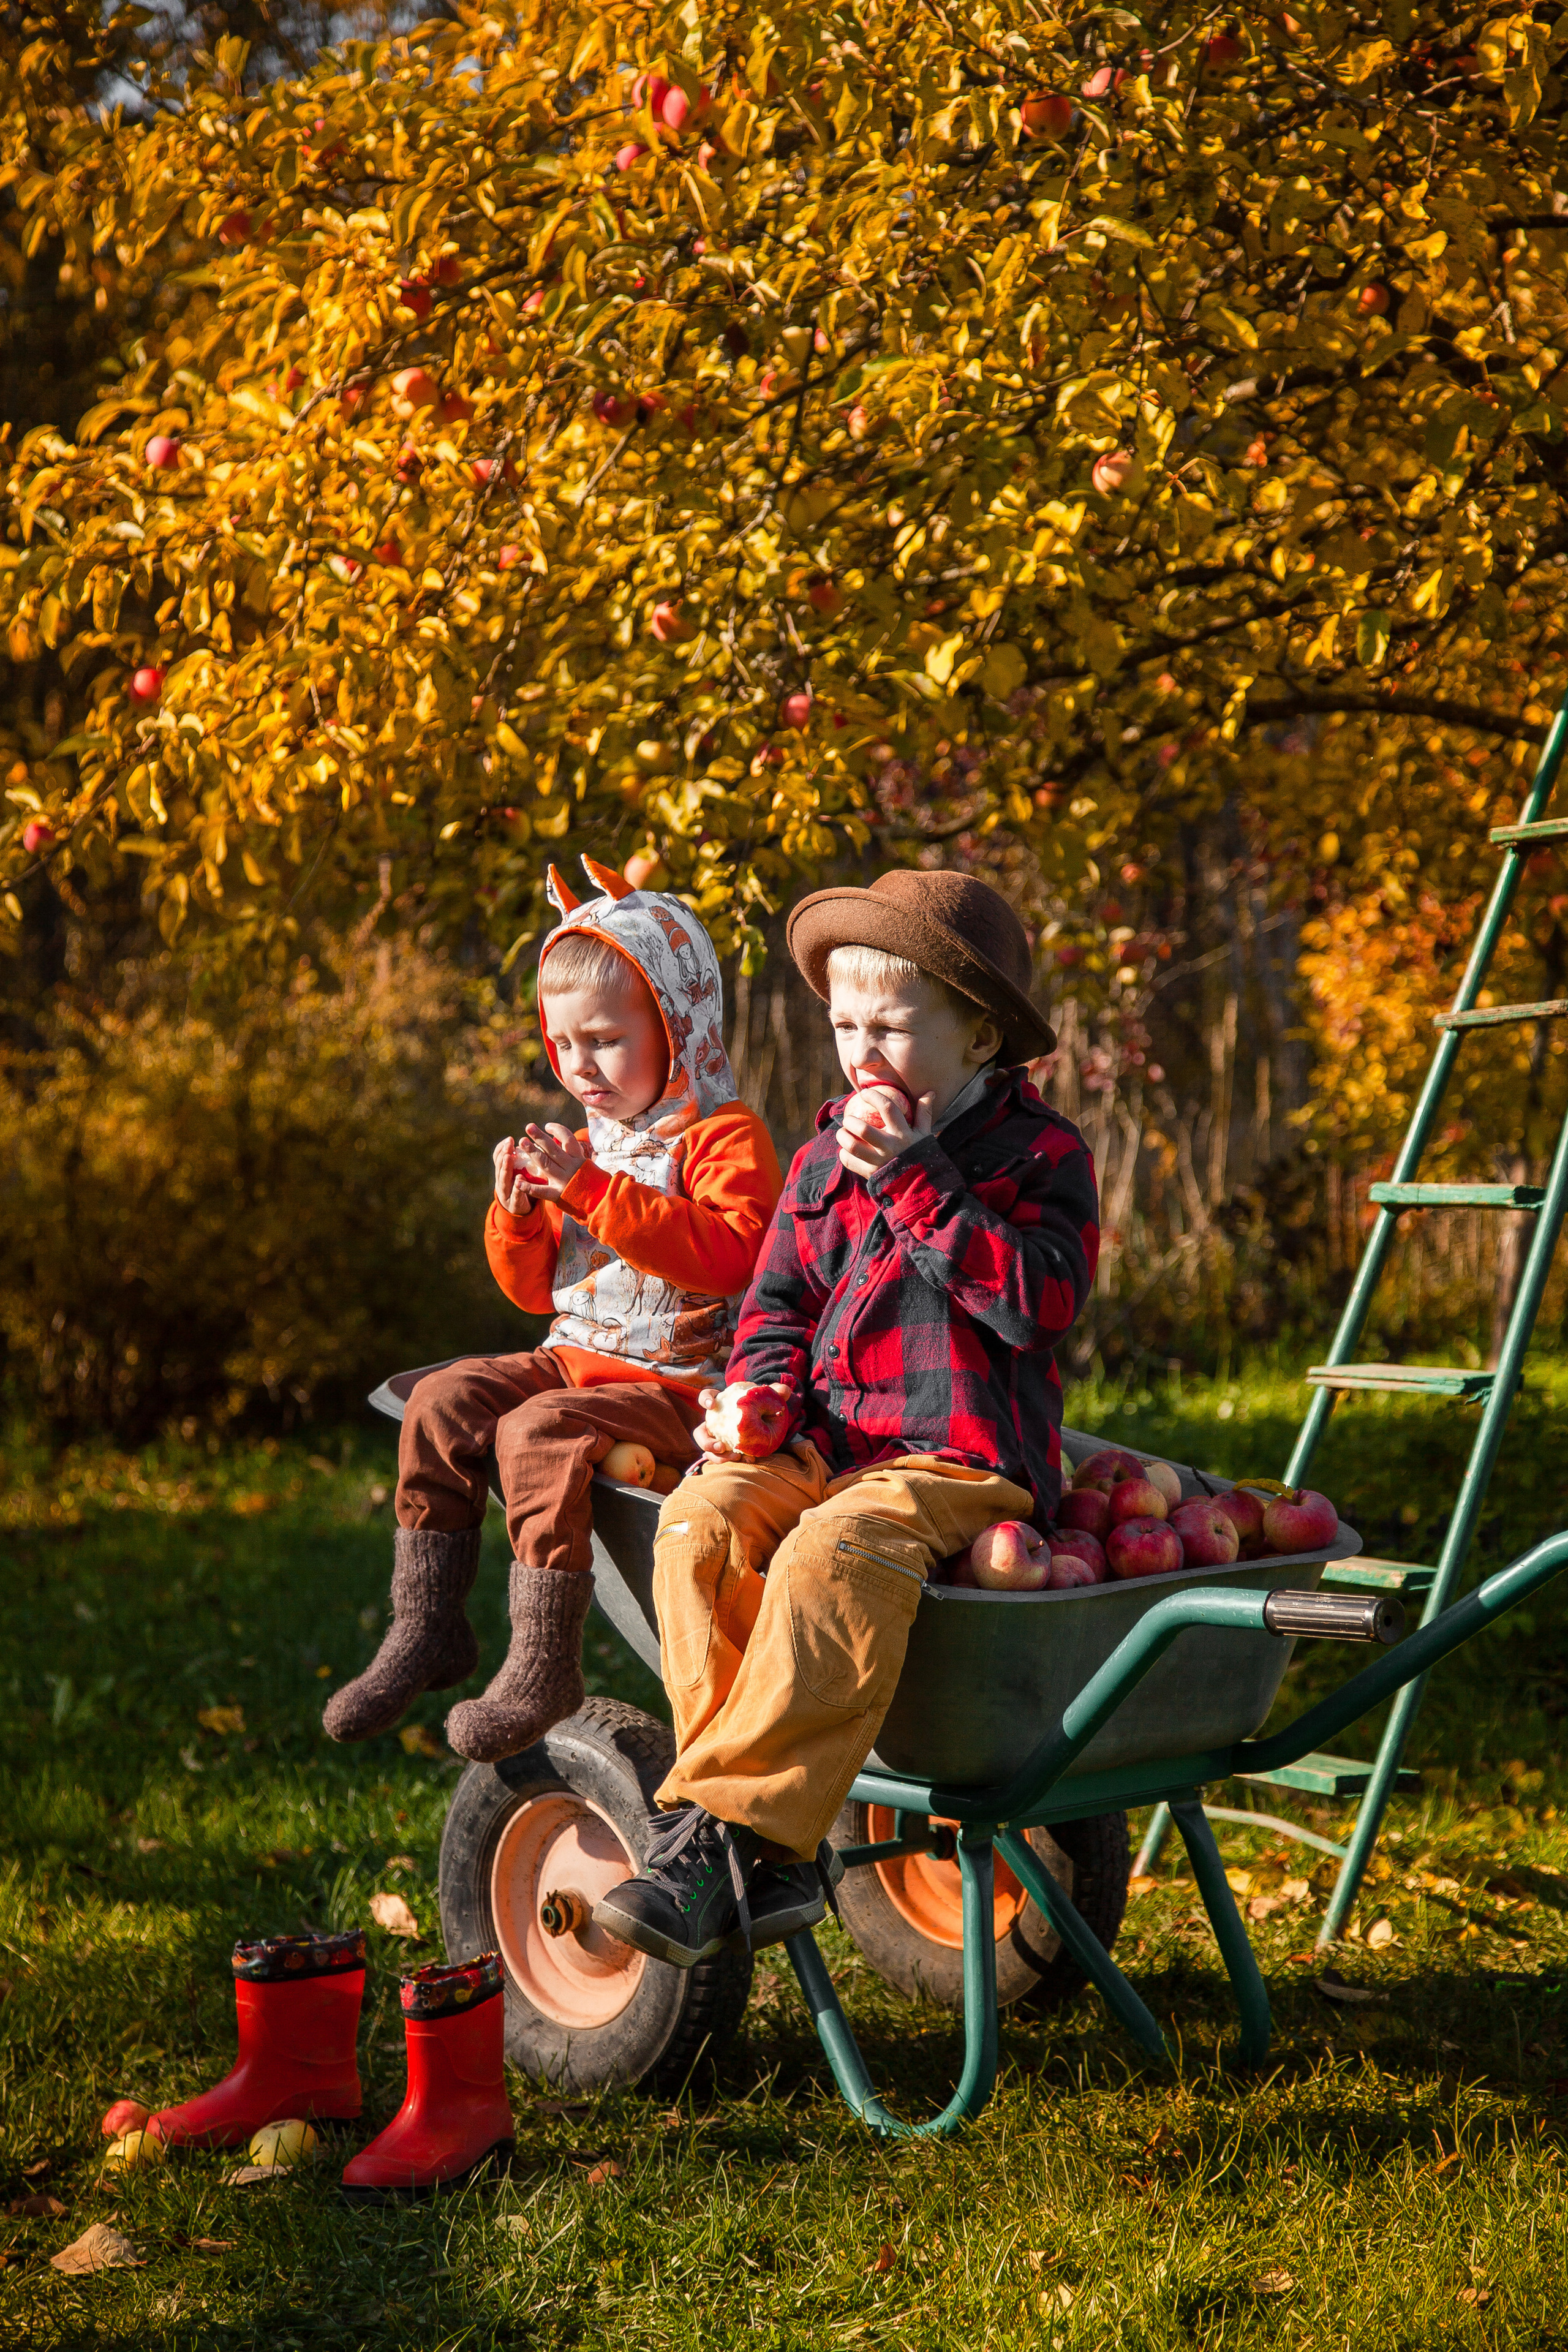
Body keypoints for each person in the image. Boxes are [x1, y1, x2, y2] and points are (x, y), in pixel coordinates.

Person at [595, 867, 1099, 1964]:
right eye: (843, 1025)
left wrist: (919, 1180)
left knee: (834, 1551)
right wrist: (761, 1392)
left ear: (981, 1039)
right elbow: (777, 1306)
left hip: (960, 1460)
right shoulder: (824, 1156)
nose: (862, 1051)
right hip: (826, 1443)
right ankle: (754, 1847)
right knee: (698, 1522)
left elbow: (1038, 1307)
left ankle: (719, 1845)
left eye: (893, 1028)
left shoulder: (1041, 1155)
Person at [323, 855, 782, 1765]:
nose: (580, 1066)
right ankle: (427, 1624)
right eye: (563, 1043)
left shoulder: (723, 1136)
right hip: (574, 1358)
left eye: (606, 1040)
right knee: (441, 1402)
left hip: (678, 1388)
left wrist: (591, 1190)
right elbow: (537, 1292)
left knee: (535, 1432)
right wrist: (520, 1215)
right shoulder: (586, 1144)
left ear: (678, 1026)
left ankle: (544, 1663)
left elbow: (733, 1256)